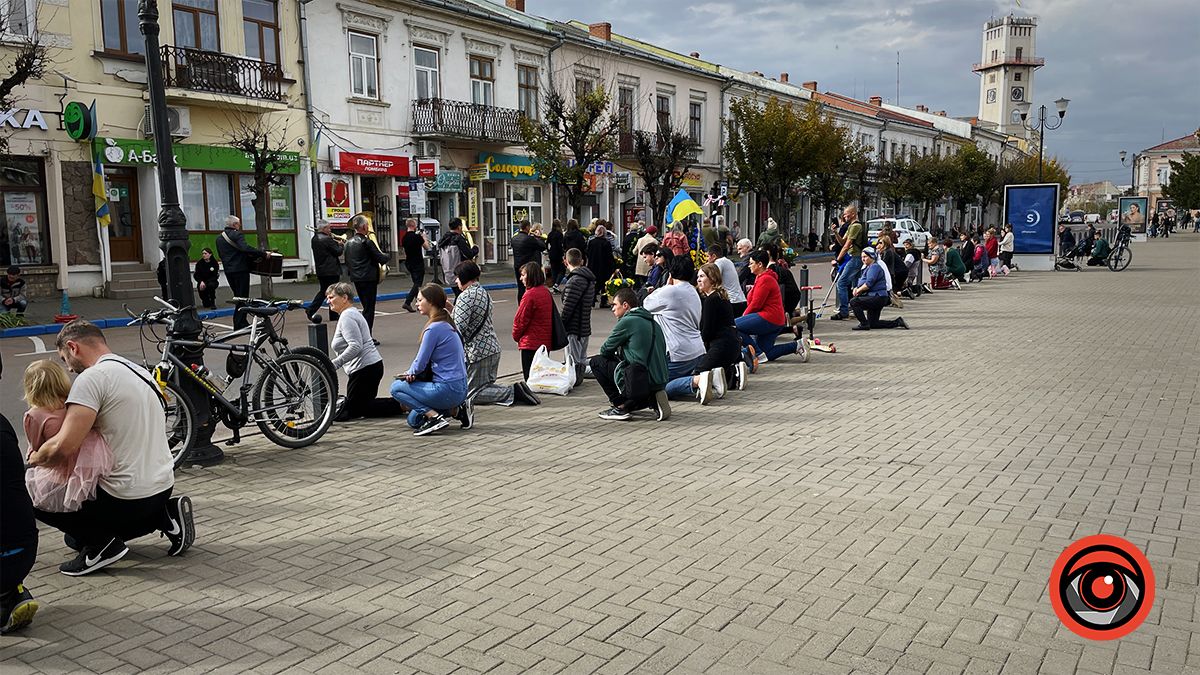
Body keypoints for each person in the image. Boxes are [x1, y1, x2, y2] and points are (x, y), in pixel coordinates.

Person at [26, 320, 195, 576]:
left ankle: (101, 546)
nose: (69, 369)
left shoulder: (92, 379)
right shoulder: (138, 371)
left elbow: (64, 446)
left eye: (65, 359)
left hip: (124, 498)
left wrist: (35, 459)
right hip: (161, 486)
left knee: (29, 491)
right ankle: (165, 516)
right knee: (73, 540)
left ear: (73, 347)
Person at [22, 359, 114, 514]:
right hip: (88, 465)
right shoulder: (74, 403)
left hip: (59, 470)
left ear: (31, 387)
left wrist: (32, 455)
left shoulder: (34, 415)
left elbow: (38, 447)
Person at [452, 261, 540, 407]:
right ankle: (517, 390)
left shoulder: (465, 296)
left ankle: (512, 392)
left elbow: (458, 327)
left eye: (457, 277)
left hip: (478, 352)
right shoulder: (483, 292)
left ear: (464, 277)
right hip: (490, 348)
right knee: (484, 386)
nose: (455, 281)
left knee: (472, 394)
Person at [390, 285, 469, 436]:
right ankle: (456, 410)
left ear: (431, 302)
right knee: (414, 420)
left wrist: (409, 373)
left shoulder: (434, 328)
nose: (417, 304)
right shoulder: (447, 323)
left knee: (396, 387)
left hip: (447, 388)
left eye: (420, 300)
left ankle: (435, 418)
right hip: (460, 388)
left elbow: (420, 363)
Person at [326, 283, 404, 422]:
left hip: (365, 368)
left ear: (344, 298)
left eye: (331, 297)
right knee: (361, 405)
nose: (328, 301)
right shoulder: (350, 314)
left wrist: (336, 363)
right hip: (365, 368)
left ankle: (404, 404)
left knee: (358, 409)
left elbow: (356, 346)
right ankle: (403, 404)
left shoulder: (347, 316)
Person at [590, 288, 670, 421]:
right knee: (636, 365)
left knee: (597, 362)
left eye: (615, 305)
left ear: (625, 305)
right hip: (660, 378)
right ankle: (652, 398)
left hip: (640, 379)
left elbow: (605, 349)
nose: (612, 309)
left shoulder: (628, 321)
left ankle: (620, 406)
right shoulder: (654, 322)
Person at [645, 256, 709, 404]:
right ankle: (709, 379)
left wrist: (665, 286)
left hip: (678, 352)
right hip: (697, 351)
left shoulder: (670, 292)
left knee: (655, 390)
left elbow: (645, 304)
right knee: (674, 381)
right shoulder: (694, 292)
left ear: (671, 273)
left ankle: (696, 381)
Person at [736, 250, 802, 367]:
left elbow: (756, 304)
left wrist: (744, 317)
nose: (749, 266)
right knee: (767, 353)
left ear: (760, 264)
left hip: (768, 317)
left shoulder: (765, 279)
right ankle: (797, 346)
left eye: (751, 263)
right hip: (775, 319)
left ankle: (756, 353)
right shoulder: (761, 277)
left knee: (734, 327)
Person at [696, 262, 745, 393]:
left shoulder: (711, 300)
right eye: (698, 277)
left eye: (702, 276)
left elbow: (707, 330)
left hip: (722, 345)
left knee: (698, 372)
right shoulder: (722, 296)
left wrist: (700, 343)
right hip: (733, 344)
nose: (698, 280)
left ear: (711, 278)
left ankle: (723, 377)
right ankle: (733, 372)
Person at [215, 215, 264, 327]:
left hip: (228, 270)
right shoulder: (237, 234)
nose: (240, 225)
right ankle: (240, 322)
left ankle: (239, 321)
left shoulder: (219, 238)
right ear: (234, 225)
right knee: (243, 297)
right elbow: (245, 248)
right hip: (240, 270)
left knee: (237, 296)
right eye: (238, 223)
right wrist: (262, 253)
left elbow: (221, 255)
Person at [343, 214, 389, 332]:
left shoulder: (348, 243)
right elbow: (381, 258)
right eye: (367, 225)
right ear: (363, 226)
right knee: (369, 308)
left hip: (356, 278)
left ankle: (364, 333)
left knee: (365, 306)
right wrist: (387, 255)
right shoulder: (366, 242)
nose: (368, 227)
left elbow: (347, 261)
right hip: (368, 278)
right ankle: (367, 335)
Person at [511, 262, 554, 380]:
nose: (521, 278)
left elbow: (520, 320)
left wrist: (516, 336)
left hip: (530, 343)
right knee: (541, 377)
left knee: (530, 378)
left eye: (523, 275)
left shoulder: (529, 295)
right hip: (544, 341)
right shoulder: (545, 292)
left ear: (530, 276)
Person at [849, 248, 909, 331]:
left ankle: (863, 324)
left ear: (872, 257)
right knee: (873, 324)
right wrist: (856, 288)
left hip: (877, 297)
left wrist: (858, 290)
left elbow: (869, 283)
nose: (863, 259)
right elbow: (862, 282)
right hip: (877, 297)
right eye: (862, 257)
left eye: (865, 256)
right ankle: (897, 322)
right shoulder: (868, 267)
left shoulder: (874, 267)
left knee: (854, 302)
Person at [559, 249, 595, 385]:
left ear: (565, 261)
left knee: (574, 364)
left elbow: (567, 308)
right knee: (580, 361)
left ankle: (604, 370)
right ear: (582, 261)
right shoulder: (589, 279)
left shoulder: (574, 281)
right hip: (584, 326)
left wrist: (560, 325)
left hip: (574, 329)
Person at [830, 206, 865, 320]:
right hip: (854, 257)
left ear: (853, 214)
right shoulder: (851, 226)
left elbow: (847, 245)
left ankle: (844, 311)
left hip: (855, 258)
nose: (844, 216)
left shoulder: (856, 226)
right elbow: (842, 242)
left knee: (841, 283)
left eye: (846, 214)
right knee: (856, 285)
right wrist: (835, 232)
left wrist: (838, 259)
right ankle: (856, 309)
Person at [308, 221, 343, 322]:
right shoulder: (327, 239)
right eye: (328, 228)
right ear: (323, 229)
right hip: (331, 270)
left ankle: (311, 309)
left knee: (324, 291)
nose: (330, 230)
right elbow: (338, 252)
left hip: (321, 270)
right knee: (333, 292)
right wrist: (340, 244)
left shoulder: (314, 239)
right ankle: (333, 315)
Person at [510, 220, 547, 305]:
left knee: (520, 288)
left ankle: (521, 305)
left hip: (517, 266)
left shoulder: (514, 238)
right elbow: (542, 247)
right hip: (528, 267)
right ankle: (529, 305)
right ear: (527, 227)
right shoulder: (529, 239)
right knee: (531, 287)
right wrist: (538, 237)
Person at [438, 218, 478, 289]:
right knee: (461, 295)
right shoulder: (458, 239)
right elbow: (469, 254)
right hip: (461, 273)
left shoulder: (443, 240)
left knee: (458, 294)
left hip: (447, 273)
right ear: (459, 227)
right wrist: (475, 249)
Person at [706, 244, 746, 315]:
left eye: (707, 256)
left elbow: (713, 278)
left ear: (714, 256)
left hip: (732, 301)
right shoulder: (728, 261)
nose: (707, 259)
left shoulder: (719, 262)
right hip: (740, 300)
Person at [400, 218, 429, 314]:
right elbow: (426, 247)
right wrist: (424, 237)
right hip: (418, 262)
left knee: (415, 283)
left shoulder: (404, 238)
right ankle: (407, 302)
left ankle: (419, 303)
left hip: (409, 262)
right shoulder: (417, 237)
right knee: (418, 283)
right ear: (413, 226)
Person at [586, 224, 616, 308]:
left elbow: (587, 253)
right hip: (604, 267)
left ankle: (592, 300)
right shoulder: (606, 243)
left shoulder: (591, 242)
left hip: (592, 266)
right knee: (604, 285)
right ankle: (603, 301)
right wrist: (613, 265)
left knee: (594, 284)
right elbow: (609, 257)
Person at [547, 220, 566, 291]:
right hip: (558, 255)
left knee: (554, 271)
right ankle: (556, 284)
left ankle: (555, 286)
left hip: (552, 254)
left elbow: (547, 244)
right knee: (562, 270)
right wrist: (562, 254)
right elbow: (560, 246)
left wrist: (549, 251)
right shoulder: (559, 234)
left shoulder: (550, 234)